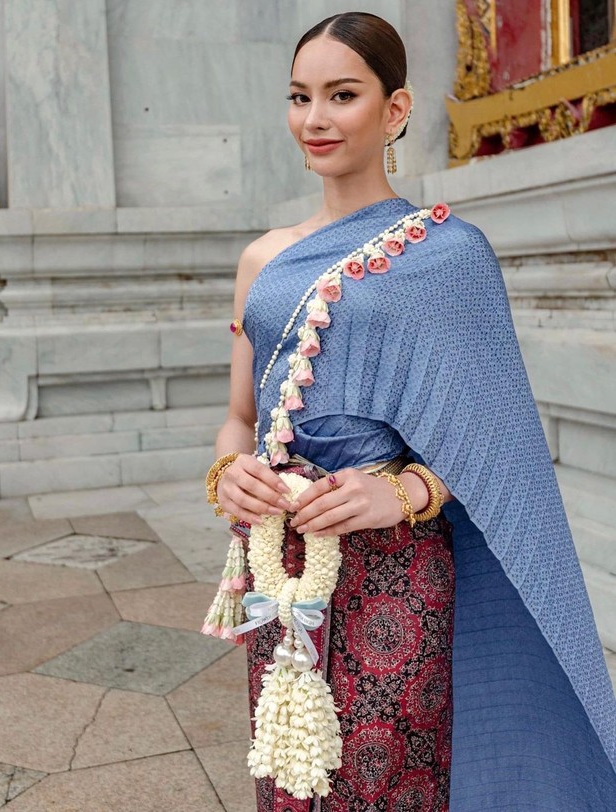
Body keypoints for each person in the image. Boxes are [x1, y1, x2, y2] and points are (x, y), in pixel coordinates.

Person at [206, 11, 616, 811]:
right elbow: (239, 416)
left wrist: (400, 492)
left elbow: (499, 446)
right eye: (299, 97)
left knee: (387, 780)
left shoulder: (448, 255)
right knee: (288, 767)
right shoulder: (263, 258)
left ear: (395, 110)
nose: (315, 119)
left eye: (342, 95)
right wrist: (228, 472)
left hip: (397, 574)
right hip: (278, 572)